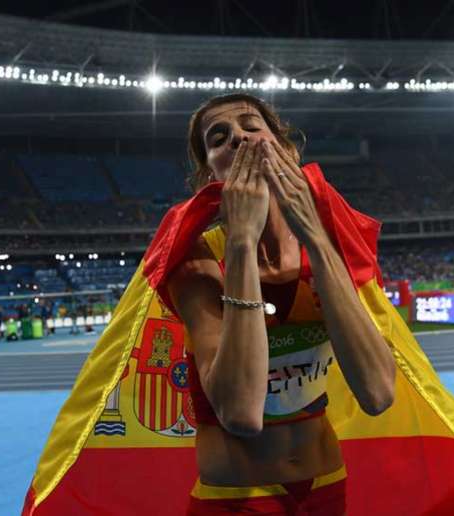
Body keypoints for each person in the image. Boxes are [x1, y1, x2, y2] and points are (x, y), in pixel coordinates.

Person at [166, 94, 396, 514]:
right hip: (236, 500)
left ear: (286, 150)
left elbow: (378, 393)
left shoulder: (333, 243)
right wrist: (240, 243)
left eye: (251, 126)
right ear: (209, 173)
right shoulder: (197, 261)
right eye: (219, 138)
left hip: (326, 486)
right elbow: (240, 413)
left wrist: (316, 238)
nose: (238, 138)